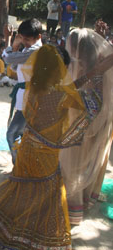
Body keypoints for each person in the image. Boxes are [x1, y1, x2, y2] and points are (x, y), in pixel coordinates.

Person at [0, 44, 113, 250]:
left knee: (23, 188)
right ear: (57, 70)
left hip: (28, 148)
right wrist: (98, 74)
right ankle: (30, 238)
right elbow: (92, 104)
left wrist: (91, 73)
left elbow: (71, 89)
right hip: (44, 156)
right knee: (44, 195)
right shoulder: (60, 95)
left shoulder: (35, 88)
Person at [59, 29, 113, 225]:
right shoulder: (102, 65)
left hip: (82, 113)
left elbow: (70, 91)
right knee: (88, 159)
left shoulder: (79, 68)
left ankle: (73, 207)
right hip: (100, 114)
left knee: (73, 160)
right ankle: (86, 198)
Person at [2, 19, 42, 163]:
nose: (24, 41)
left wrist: (9, 42)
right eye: (22, 38)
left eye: (27, 39)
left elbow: (8, 58)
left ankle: (20, 167)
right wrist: (13, 45)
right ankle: (21, 166)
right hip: (23, 98)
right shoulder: (27, 49)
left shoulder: (35, 50)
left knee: (12, 134)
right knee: (21, 135)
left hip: (30, 99)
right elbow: (14, 68)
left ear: (38, 37)